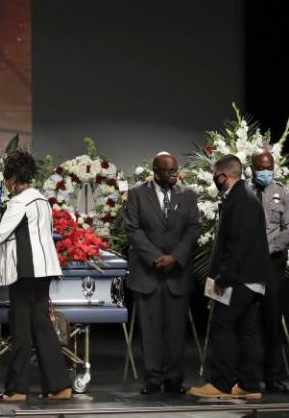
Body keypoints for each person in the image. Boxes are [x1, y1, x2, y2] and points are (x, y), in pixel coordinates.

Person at [0, 150, 72, 401]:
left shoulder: (19, 202)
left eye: (6, 179)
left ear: (12, 178)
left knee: (21, 330)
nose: (7, 185)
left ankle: (18, 389)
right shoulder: (42, 199)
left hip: (25, 272)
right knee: (42, 328)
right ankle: (59, 385)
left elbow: (0, 235)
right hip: (43, 271)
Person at [189, 154, 268, 401]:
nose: (214, 179)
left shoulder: (241, 199)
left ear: (223, 175)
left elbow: (239, 242)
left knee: (222, 325)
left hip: (238, 278)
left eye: (215, 175)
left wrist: (224, 276)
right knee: (247, 330)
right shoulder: (243, 196)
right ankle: (249, 383)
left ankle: (221, 383)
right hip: (250, 278)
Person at [123, 152, 200, 395]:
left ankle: (174, 379)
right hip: (148, 272)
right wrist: (157, 257)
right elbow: (133, 229)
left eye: (175, 170)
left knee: (176, 331)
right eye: (168, 171)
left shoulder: (187, 194)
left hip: (177, 272)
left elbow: (193, 228)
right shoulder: (137, 193)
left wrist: (175, 257)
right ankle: (153, 379)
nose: (173, 174)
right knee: (151, 330)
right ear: (155, 172)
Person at [246, 148, 289, 393]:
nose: (265, 171)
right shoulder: (243, 192)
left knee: (272, 321)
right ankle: (247, 376)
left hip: (272, 263)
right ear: (252, 167)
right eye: (260, 167)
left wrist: (267, 249)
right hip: (246, 265)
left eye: (269, 167)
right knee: (247, 322)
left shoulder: (284, 193)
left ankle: (273, 376)